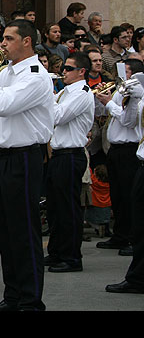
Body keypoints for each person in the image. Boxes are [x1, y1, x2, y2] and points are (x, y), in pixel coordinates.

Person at [0, 19, 54, 311]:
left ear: (26, 41)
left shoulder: (34, 75)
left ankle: (30, 300)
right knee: (5, 231)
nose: (1, 44)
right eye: (2, 38)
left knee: (24, 232)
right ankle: (13, 296)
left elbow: (3, 105)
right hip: (4, 157)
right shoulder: (7, 71)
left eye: (8, 38)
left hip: (25, 157)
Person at [44, 52, 95, 273]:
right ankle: (56, 252)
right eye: (63, 68)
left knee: (68, 208)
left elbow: (57, 116)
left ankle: (72, 256)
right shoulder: (65, 91)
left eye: (68, 68)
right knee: (55, 208)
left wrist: (44, 92)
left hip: (71, 154)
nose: (63, 71)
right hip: (58, 153)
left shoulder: (82, 93)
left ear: (81, 72)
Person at [95, 58, 144, 257]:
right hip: (116, 148)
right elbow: (104, 113)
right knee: (117, 194)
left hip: (129, 149)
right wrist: (102, 99)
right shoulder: (120, 91)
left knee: (129, 195)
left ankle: (132, 238)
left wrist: (108, 104)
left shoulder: (137, 94)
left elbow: (128, 121)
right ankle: (120, 235)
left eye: (125, 72)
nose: (120, 76)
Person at [105, 71, 144, 294]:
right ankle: (138, 277)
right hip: (140, 162)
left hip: (134, 155)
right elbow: (131, 119)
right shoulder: (137, 96)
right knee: (138, 224)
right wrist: (135, 100)